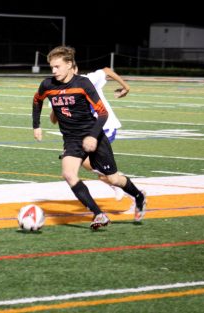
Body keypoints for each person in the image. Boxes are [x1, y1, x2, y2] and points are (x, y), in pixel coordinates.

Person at [32, 46, 146, 230]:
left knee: (114, 179)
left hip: (94, 135)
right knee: (68, 174)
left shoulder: (83, 84)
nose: (53, 71)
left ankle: (139, 196)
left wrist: (93, 136)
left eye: (57, 66)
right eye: (51, 67)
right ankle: (98, 214)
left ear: (69, 65)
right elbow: (37, 100)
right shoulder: (48, 85)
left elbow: (102, 113)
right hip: (71, 139)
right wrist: (36, 126)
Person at [50, 66, 130, 203]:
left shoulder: (88, 79)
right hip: (85, 132)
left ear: (74, 69)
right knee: (90, 167)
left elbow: (107, 70)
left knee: (87, 162)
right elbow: (53, 120)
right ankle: (117, 181)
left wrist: (126, 87)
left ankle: (117, 181)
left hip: (104, 127)